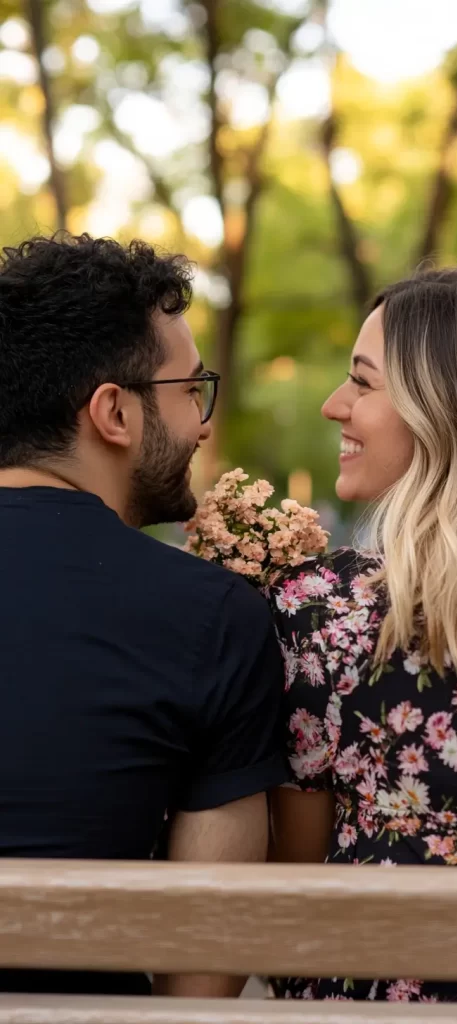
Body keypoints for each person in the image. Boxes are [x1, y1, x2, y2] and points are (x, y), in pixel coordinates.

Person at [268, 268, 457, 1005]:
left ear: (450, 413)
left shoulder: (327, 614)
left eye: (363, 384)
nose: (333, 404)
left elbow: (292, 879)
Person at [0, 234, 286, 996]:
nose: (200, 425)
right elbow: (204, 966)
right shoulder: (212, 617)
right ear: (113, 413)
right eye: (192, 389)